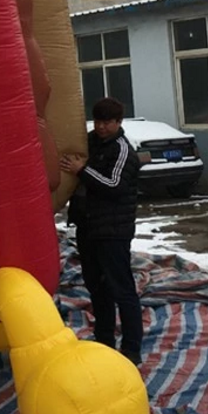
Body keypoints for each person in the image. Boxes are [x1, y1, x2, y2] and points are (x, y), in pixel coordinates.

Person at [61, 97, 143, 366]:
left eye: (107, 122)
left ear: (118, 123)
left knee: (122, 289)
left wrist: (82, 170)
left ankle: (131, 348)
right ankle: (104, 339)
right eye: (97, 121)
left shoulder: (122, 150)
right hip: (89, 227)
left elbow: (113, 185)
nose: (101, 127)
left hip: (113, 230)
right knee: (96, 286)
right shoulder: (91, 142)